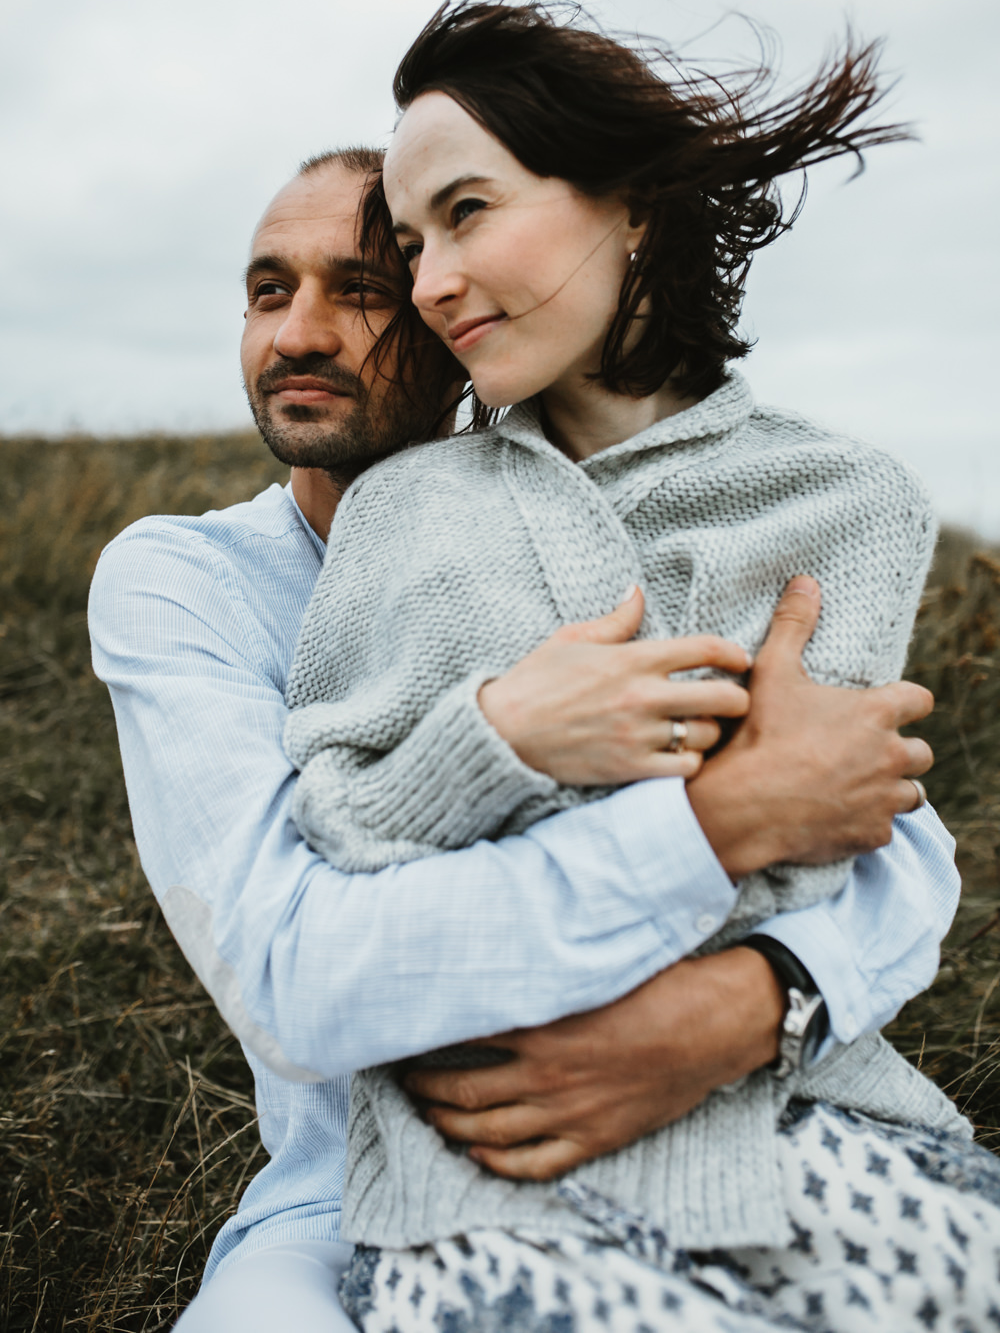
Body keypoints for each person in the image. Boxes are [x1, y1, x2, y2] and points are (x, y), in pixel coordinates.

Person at [89, 143, 960, 1333]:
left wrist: (754, 1002)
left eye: (360, 291)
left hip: (696, 1121)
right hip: (336, 1203)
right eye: (265, 290)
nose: (295, 334)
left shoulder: (612, 508)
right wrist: (694, 818)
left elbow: (891, 841)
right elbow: (291, 975)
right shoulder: (185, 580)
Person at [280, 0, 1000, 1331]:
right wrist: (502, 737)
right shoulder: (404, 508)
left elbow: (818, 860)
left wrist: (706, 934)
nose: (430, 280)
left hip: (807, 1129)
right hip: (481, 1171)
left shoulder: (847, 501)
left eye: (469, 211)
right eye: (413, 241)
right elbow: (335, 858)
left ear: (630, 205)